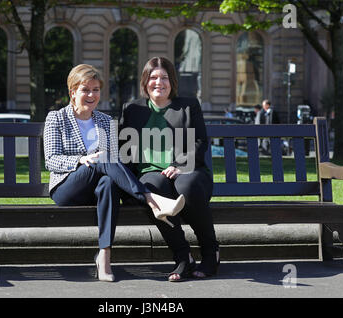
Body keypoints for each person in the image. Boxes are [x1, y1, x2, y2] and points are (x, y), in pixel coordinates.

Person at [44, 64, 185, 282]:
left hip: (98, 188)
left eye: (96, 90)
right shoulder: (56, 118)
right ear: (73, 92)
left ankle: (105, 257)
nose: (91, 95)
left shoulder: (105, 121)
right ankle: (151, 199)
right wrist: (81, 160)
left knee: (109, 182)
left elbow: (114, 161)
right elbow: (51, 160)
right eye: (85, 90)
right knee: (102, 158)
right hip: (67, 188)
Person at [119, 57, 220, 282]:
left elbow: (200, 142)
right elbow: (124, 150)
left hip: (189, 170)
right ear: (145, 82)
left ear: (172, 81)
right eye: (153, 77)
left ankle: (211, 252)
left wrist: (180, 165)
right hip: (151, 173)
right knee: (153, 187)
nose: (159, 82)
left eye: (164, 77)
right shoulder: (132, 109)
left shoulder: (188, 106)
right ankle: (183, 257)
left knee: (187, 185)